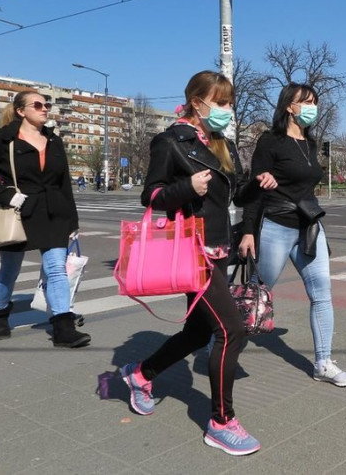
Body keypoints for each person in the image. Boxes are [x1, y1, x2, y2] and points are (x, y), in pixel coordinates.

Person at [118, 71, 277, 456]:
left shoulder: (223, 143)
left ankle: (140, 375)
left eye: (229, 103)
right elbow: (151, 195)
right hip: (193, 250)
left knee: (197, 333)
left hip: (220, 247)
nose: (226, 110)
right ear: (196, 101)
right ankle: (221, 423)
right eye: (220, 103)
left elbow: (235, 191)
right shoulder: (171, 142)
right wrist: (186, 188)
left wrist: (258, 182)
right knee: (232, 331)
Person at [240, 83, 346, 387]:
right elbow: (254, 191)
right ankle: (223, 345)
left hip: (309, 227)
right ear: (289, 106)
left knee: (322, 294)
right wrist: (249, 231)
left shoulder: (310, 143)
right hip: (276, 226)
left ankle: (323, 363)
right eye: (306, 102)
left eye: (314, 102)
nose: (312, 107)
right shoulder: (270, 141)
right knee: (257, 294)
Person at [0, 91, 90, 348]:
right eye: (37, 105)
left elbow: (64, 184)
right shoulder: (3, 139)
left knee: (56, 269)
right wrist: (5, 195)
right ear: (21, 111)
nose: (45, 108)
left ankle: (63, 326)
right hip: (19, 212)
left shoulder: (54, 140)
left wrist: (72, 223)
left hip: (53, 212)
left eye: (46, 104)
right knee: (10, 270)